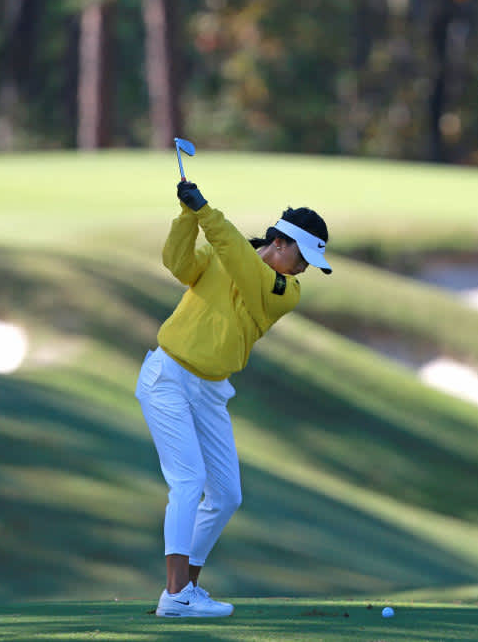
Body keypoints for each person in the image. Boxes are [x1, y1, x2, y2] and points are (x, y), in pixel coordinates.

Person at [135, 179, 331, 617]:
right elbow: (178, 263)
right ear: (280, 242)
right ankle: (175, 596)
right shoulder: (227, 253)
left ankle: (187, 588)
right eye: (303, 257)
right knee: (188, 482)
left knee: (225, 496)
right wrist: (188, 215)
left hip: (210, 391)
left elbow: (243, 263)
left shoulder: (283, 290)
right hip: (168, 377)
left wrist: (205, 211)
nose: (304, 269)